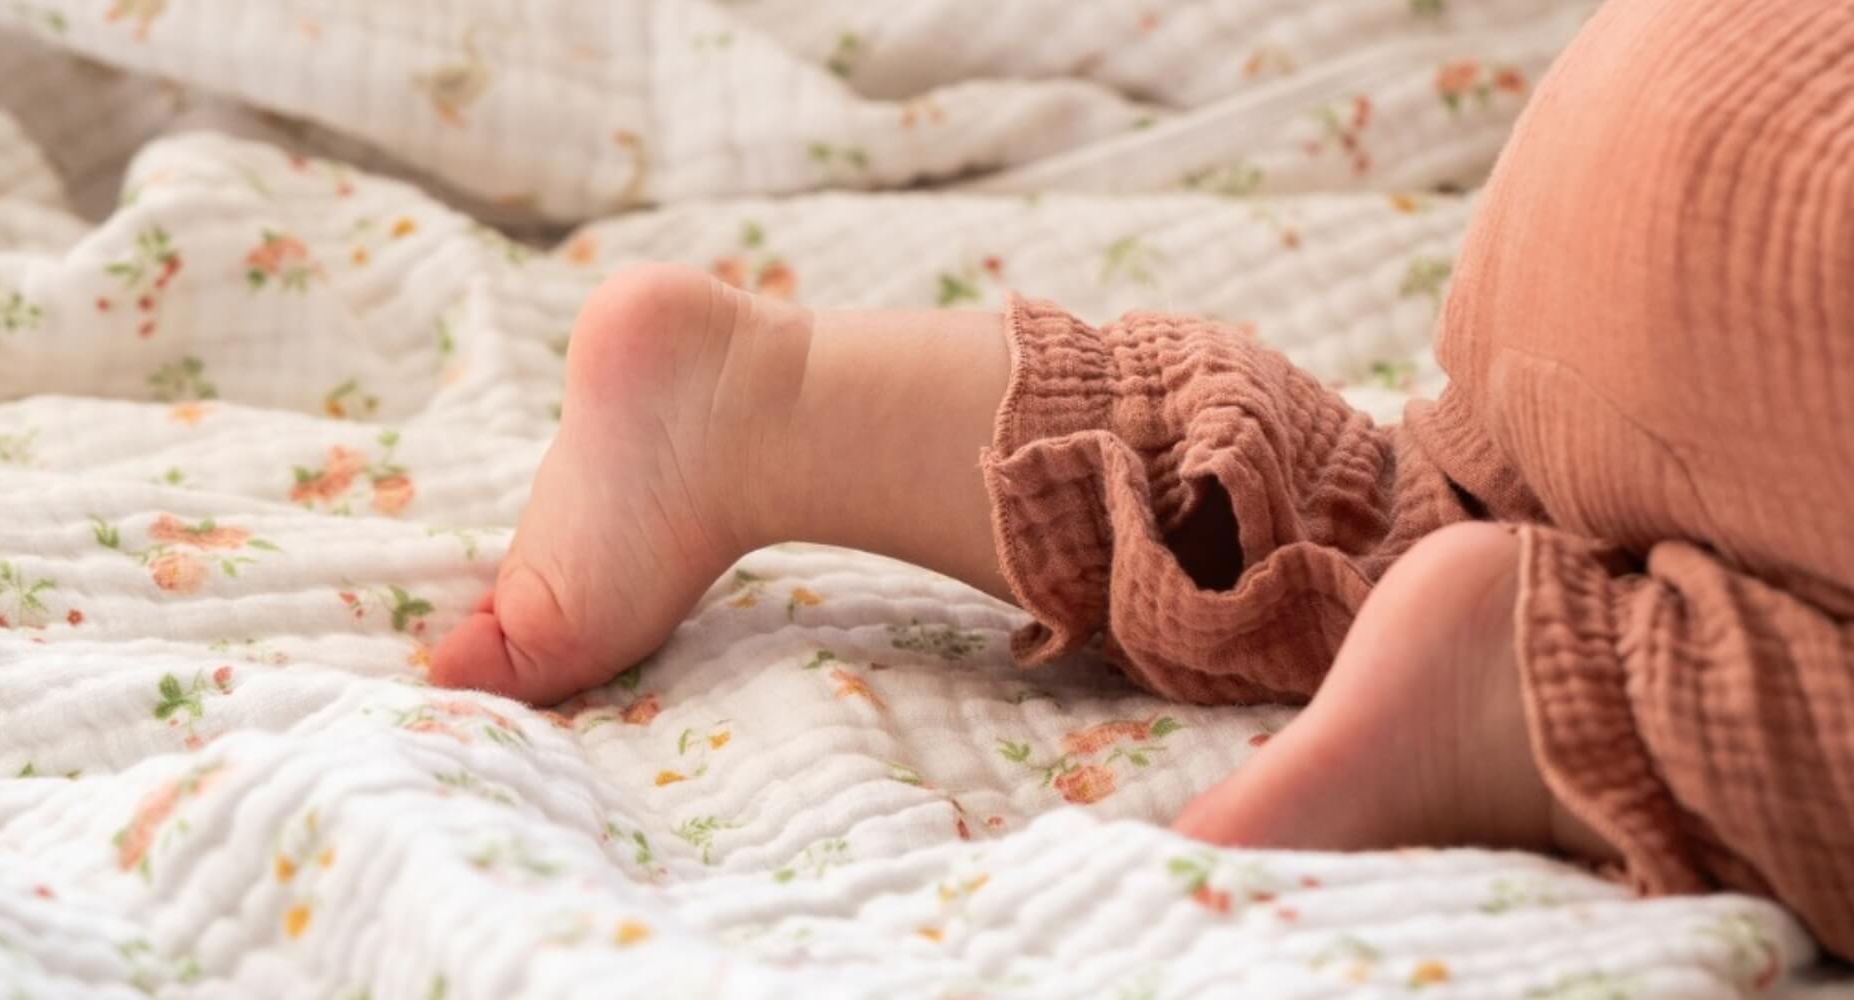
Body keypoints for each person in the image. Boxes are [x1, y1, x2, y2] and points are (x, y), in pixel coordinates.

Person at [432, 0, 1854, 959]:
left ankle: (767, 403)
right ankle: (1536, 697)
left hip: (1682, 74)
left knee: (1420, 501)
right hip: (1813, 266)